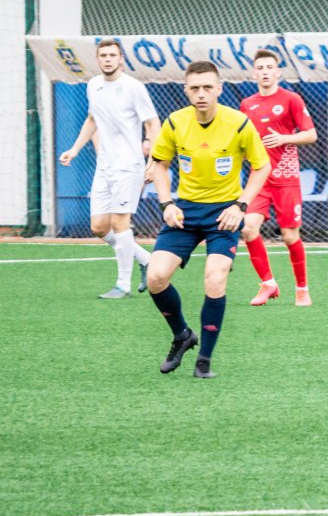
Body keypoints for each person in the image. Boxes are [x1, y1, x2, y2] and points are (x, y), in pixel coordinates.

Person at [146, 61, 270, 379]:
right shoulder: (175, 122)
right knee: (155, 277)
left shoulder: (238, 123)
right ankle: (182, 335)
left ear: (219, 89)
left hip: (224, 214)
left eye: (207, 88)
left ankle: (204, 360)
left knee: (215, 278)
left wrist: (240, 206)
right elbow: (159, 164)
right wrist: (166, 203)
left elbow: (262, 166)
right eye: (195, 88)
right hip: (185, 211)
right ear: (186, 91)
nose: (201, 94)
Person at [59, 39, 160, 299]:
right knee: (99, 227)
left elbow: (152, 124)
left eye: (112, 55)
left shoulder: (133, 88)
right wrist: (74, 149)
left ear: (121, 59)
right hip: (104, 167)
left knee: (119, 222)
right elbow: (92, 119)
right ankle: (146, 259)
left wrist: (153, 162)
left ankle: (123, 285)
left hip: (129, 166)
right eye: (103, 55)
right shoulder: (94, 85)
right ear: (98, 59)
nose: (107, 59)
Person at [239, 49, 318, 307]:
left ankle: (302, 289)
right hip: (259, 178)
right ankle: (268, 283)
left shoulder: (291, 99)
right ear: (254, 73)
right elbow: (243, 140)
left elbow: (311, 134)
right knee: (248, 228)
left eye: (269, 67)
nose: (265, 72)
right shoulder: (246, 105)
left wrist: (284, 138)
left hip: (286, 177)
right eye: (260, 68)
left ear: (278, 72)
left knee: (290, 236)